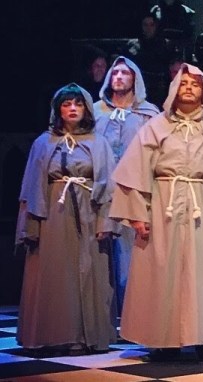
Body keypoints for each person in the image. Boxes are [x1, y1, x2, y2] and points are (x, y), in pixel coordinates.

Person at [109, 64, 203, 362]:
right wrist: (138, 214)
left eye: (195, 84)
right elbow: (134, 172)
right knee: (162, 274)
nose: (189, 88)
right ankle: (164, 341)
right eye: (184, 83)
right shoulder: (156, 126)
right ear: (174, 88)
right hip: (164, 205)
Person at [16, 84, 117, 356]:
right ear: (58, 110)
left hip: (88, 213)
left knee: (88, 270)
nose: (72, 108)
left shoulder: (99, 143)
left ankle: (84, 337)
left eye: (78, 104)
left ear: (86, 109)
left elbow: (109, 187)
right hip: (53, 216)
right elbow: (30, 188)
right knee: (55, 275)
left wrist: (105, 222)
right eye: (66, 104)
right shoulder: (43, 143)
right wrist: (30, 226)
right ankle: (52, 335)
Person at [93, 57, 160, 312]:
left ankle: (134, 313)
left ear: (135, 79)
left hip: (135, 192)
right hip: (100, 191)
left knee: (131, 256)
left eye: (125, 73)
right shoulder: (95, 111)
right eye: (115, 73)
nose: (119, 77)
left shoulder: (149, 114)